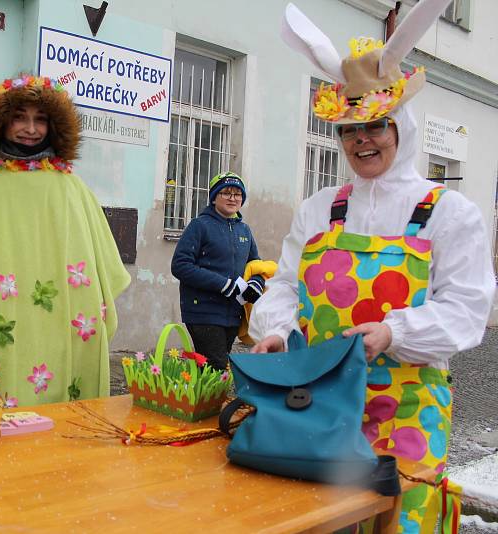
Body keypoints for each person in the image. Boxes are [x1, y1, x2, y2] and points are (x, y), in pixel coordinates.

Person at [251, 3, 494, 532]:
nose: (363, 139)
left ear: (401, 126)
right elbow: (286, 284)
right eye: (351, 129)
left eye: (378, 125)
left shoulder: (449, 213)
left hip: (407, 405)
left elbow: (467, 310)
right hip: (315, 399)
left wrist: (393, 331)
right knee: (315, 521)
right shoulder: (321, 208)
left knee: (400, 521)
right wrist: (277, 330)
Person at [0, 75, 130, 406]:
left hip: (56, 329)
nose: (30, 128)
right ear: (0, 122)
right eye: (19, 117)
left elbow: (101, 264)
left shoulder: (70, 186)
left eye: (40, 119)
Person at [171, 172, 262, 370]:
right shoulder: (200, 226)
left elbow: (255, 263)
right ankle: (210, 401)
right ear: (214, 197)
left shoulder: (244, 230)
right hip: (202, 310)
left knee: (210, 369)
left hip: (232, 312)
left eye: (237, 194)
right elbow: (180, 265)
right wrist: (224, 284)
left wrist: (256, 283)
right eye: (226, 193)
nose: (232, 198)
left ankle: (199, 399)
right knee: (217, 366)